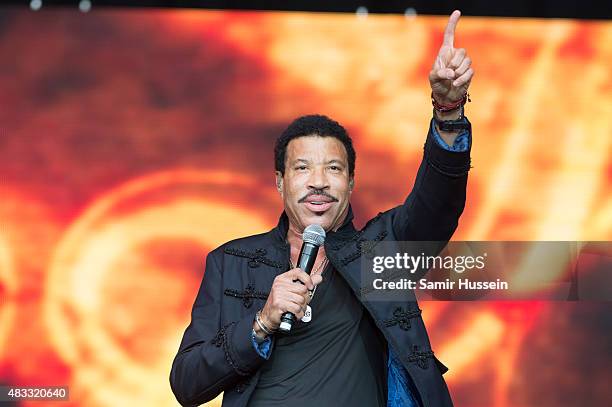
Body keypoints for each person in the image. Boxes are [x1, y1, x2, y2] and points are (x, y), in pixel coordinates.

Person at [170, 9, 473, 407]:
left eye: (333, 168)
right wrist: (260, 324)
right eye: (302, 168)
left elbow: (438, 205)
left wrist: (448, 113)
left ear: (350, 183)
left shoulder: (381, 252)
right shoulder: (231, 261)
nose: (318, 181)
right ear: (280, 181)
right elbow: (186, 384)